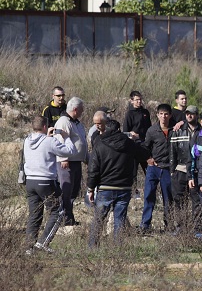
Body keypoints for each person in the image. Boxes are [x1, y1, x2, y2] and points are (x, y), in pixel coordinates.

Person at [87, 120, 150, 248]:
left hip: (105, 187)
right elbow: (145, 154)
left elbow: (93, 169)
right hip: (124, 187)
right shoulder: (129, 144)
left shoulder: (100, 144)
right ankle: (117, 248)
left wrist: (90, 189)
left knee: (99, 219)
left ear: (106, 129)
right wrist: (136, 140)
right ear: (119, 129)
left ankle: (93, 247)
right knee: (119, 219)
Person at [24, 116, 77, 255]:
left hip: (30, 181)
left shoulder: (27, 140)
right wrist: (65, 137)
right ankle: (43, 242)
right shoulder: (49, 141)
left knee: (34, 214)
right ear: (45, 127)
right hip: (45, 181)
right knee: (57, 212)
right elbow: (70, 151)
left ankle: (29, 248)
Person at [139, 103, 174, 233]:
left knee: (168, 199)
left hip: (168, 169)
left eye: (166, 114)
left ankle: (169, 225)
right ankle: (145, 225)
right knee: (148, 196)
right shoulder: (152, 130)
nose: (163, 117)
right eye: (161, 114)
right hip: (154, 168)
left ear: (170, 115)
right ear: (157, 115)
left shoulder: (175, 130)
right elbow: (145, 147)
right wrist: (148, 159)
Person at [54, 96, 88, 226]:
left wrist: (86, 158)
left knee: (74, 190)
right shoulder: (63, 121)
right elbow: (59, 139)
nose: (82, 111)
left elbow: (81, 142)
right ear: (75, 109)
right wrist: (63, 158)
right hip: (66, 162)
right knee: (66, 190)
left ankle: (69, 217)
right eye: (81, 109)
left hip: (76, 161)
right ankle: (63, 219)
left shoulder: (76, 122)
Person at [169, 105, 201, 231]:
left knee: (196, 200)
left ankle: (197, 228)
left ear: (196, 115)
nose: (189, 115)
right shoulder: (178, 130)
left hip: (196, 171)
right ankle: (181, 228)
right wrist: (172, 172)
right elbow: (173, 152)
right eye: (187, 113)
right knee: (179, 200)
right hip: (181, 169)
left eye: (192, 113)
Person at [123, 91, 151, 197]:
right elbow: (125, 131)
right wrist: (131, 135)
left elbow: (149, 128)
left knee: (149, 170)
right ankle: (134, 193)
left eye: (140, 99)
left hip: (145, 145)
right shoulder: (129, 114)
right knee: (133, 171)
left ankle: (151, 190)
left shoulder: (145, 112)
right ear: (132, 101)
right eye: (136, 100)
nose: (139, 101)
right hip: (134, 146)